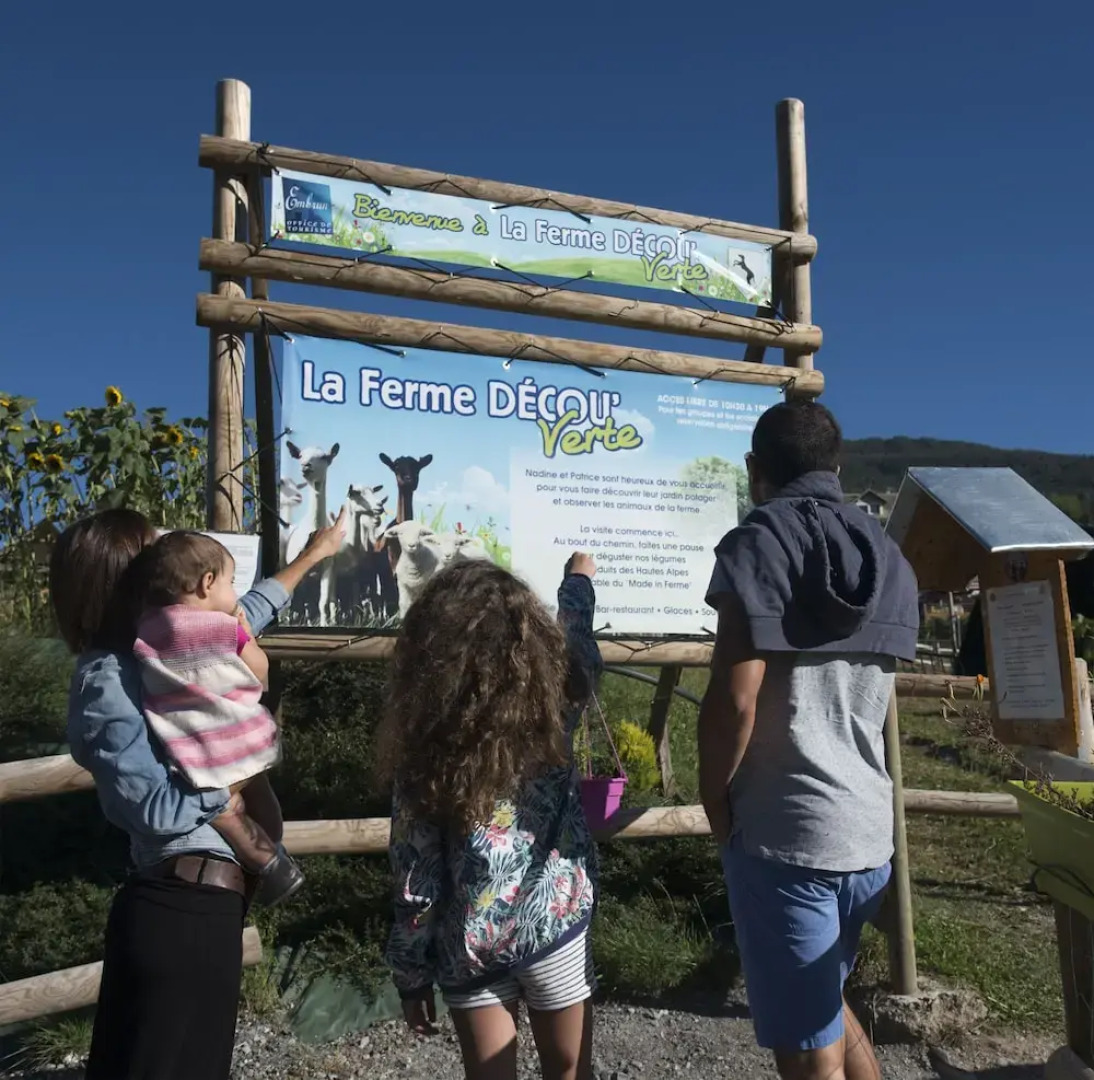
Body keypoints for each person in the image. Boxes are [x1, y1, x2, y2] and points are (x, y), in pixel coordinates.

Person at [50, 506, 345, 1080]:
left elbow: (244, 611)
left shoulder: (176, 644)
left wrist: (314, 555)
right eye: (154, 552)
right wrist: (229, 781)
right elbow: (151, 808)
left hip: (207, 909)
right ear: (125, 576)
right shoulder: (108, 678)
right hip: (176, 907)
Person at [697, 401, 919, 1080]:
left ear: (754, 470)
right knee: (825, 1006)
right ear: (838, 466)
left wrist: (716, 806)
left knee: (807, 1054)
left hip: (786, 838)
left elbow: (736, 699)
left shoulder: (757, 541)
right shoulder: (888, 558)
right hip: (867, 838)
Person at [379, 554, 602, 1080]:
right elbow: (581, 649)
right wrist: (577, 583)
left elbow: (417, 874)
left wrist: (411, 974)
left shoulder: (424, 745)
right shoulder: (556, 704)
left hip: (470, 941)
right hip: (553, 922)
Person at [133, 530, 303, 904]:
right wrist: (247, 636)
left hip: (190, 745)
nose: (234, 592)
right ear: (207, 583)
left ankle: (268, 865)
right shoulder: (224, 628)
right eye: (231, 582)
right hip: (237, 739)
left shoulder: (144, 629)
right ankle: (270, 858)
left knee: (224, 805)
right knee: (256, 798)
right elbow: (259, 672)